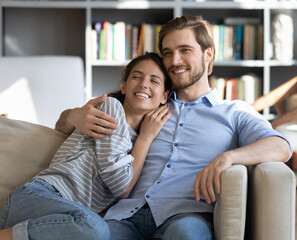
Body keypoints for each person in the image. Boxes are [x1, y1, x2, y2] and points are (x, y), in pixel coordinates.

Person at [54, 16, 292, 240]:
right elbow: (63, 125)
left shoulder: (234, 112)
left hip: (186, 215)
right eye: (168, 53)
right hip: (126, 214)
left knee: (187, 234)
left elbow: (281, 146)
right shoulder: (148, 99)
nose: (174, 61)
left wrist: (228, 157)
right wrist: (73, 116)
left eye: (185, 50)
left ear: (208, 54)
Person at [0, 52, 172, 240]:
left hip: (62, 219)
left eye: (154, 81)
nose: (143, 84)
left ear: (165, 96)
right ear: (124, 85)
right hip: (37, 197)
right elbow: (121, 187)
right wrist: (145, 138)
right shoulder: (111, 110)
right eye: (136, 77)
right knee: (96, 229)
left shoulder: (140, 142)